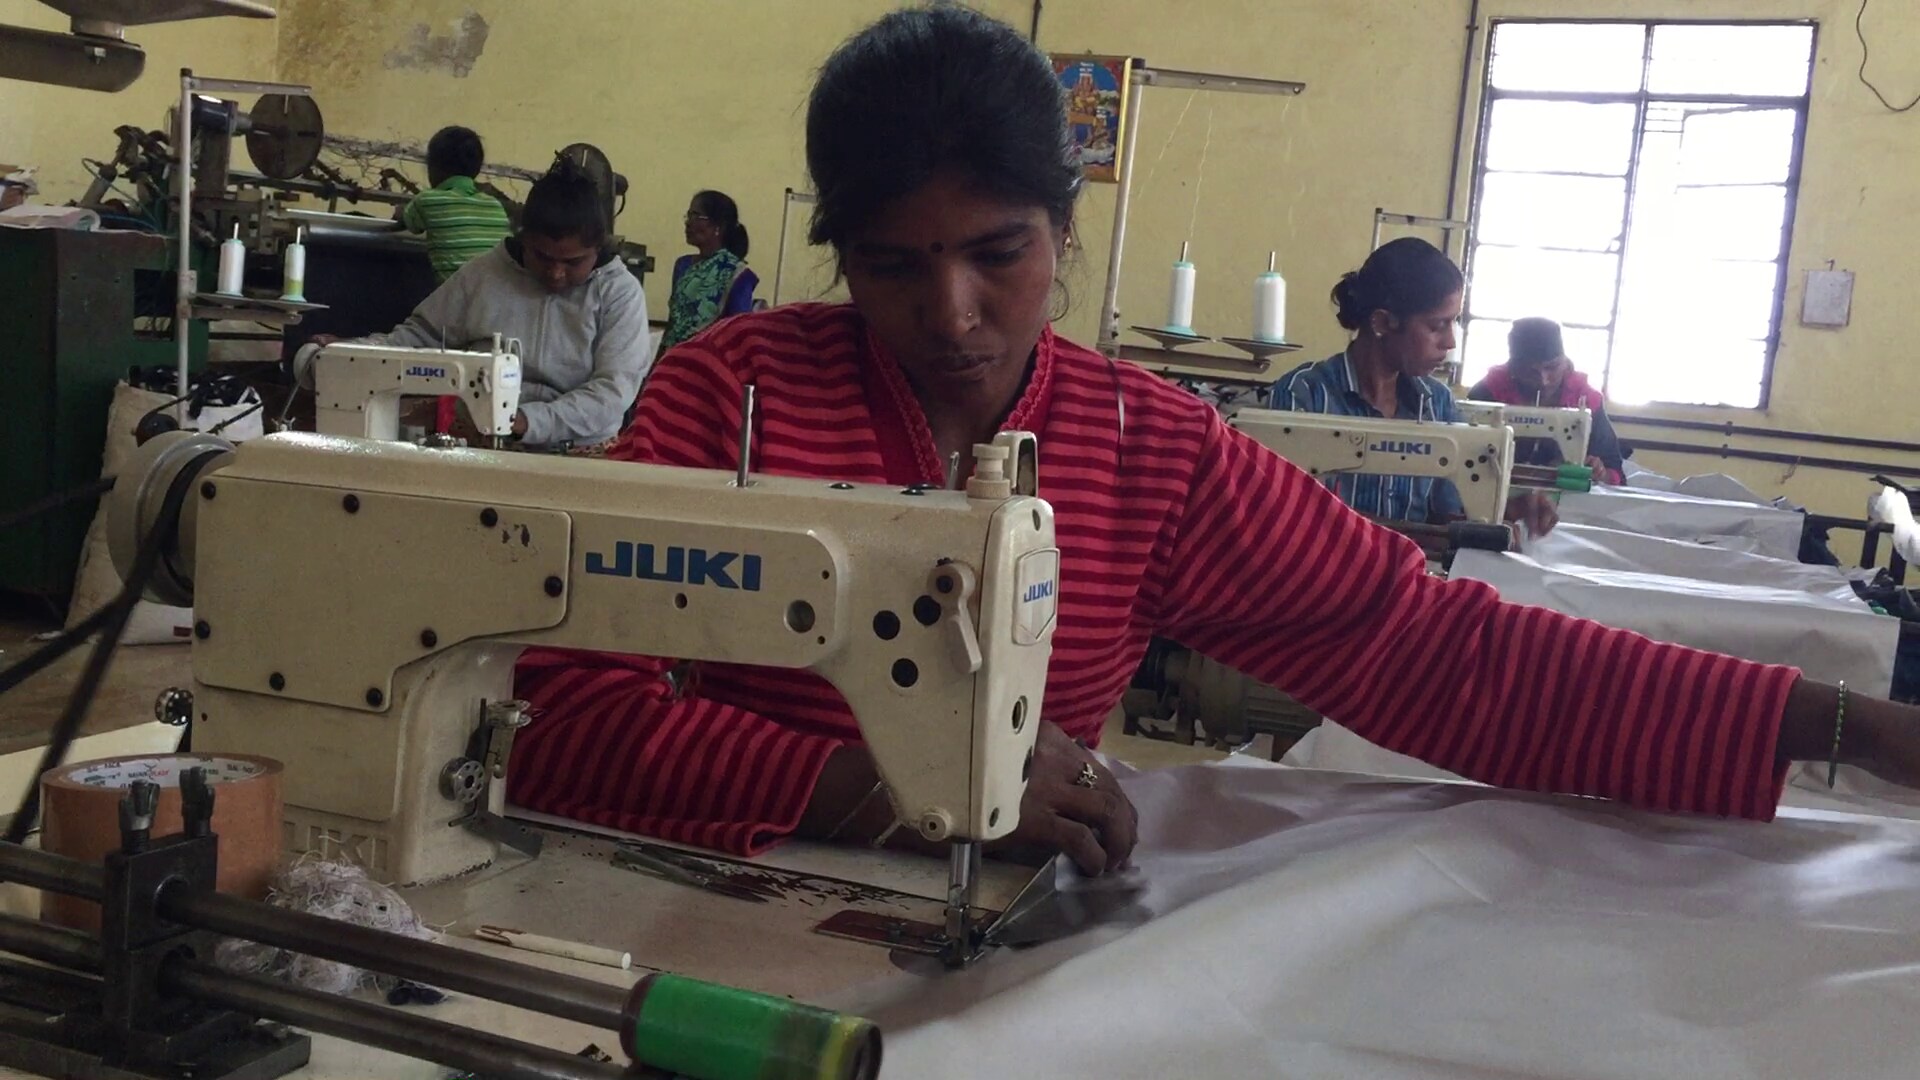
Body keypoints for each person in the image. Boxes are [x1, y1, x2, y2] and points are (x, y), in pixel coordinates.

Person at [505, 5, 1920, 876]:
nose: (951, 314)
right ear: (837, 253)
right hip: (671, 932)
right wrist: (882, 792)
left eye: (1000, 254)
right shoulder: (730, 398)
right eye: (890, 266)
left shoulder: (1140, 445)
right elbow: (557, 724)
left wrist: (1842, 726)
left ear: (1066, 230)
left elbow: (1440, 654)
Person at [314, 155, 651, 449]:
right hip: (481, 443)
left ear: (598, 249)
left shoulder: (618, 294)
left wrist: (526, 421)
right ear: (523, 237)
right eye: (543, 258)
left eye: (573, 262)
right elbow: (421, 338)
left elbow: (611, 391)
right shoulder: (485, 274)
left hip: (577, 452)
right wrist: (354, 352)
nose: (556, 274)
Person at [1270, 239, 1554, 535]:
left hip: (1410, 575)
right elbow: (1294, 516)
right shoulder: (1303, 395)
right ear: (1381, 322)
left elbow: (1448, 514)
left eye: (1453, 322)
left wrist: (1512, 509)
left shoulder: (1437, 402)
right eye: (1437, 326)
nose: (1450, 342)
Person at [1468, 317, 1627, 484]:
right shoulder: (1486, 393)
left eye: (1551, 368)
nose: (1543, 380)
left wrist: (1601, 473)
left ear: (1565, 363)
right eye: (1531, 371)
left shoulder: (1586, 399)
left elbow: (1615, 470)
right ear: (1513, 367)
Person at [401, 126, 513, 283]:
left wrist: (403, 210)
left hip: (458, 301)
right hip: (498, 295)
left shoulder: (427, 201)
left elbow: (407, 221)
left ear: (432, 166)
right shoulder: (494, 204)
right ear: (477, 168)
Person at [658, 191, 758, 353]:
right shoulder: (683, 265)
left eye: (696, 216)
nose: (688, 223)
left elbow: (736, 332)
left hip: (709, 362)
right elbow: (673, 324)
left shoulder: (737, 274)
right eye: (688, 215)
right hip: (673, 357)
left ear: (718, 227)